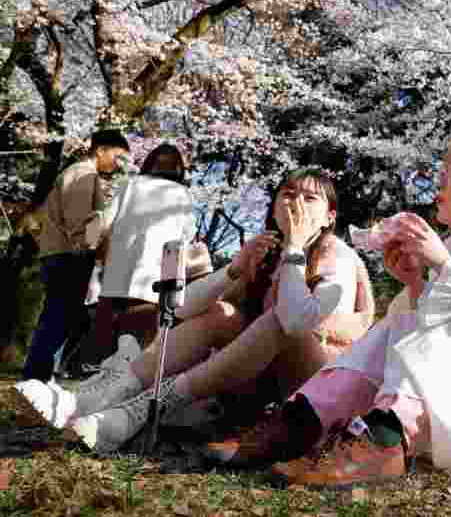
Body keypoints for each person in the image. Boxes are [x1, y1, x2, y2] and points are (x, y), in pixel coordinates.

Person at [204, 130, 451, 488]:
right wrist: (414, 282)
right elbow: (423, 324)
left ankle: (383, 440)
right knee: (400, 320)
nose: (440, 180)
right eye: (443, 169)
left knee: (421, 323)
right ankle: (299, 424)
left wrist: (442, 265)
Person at [13, 167, 374, 451]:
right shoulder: (269, 252)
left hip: (317, 391)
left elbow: (297, 322)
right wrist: (233, 270)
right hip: (260, 385)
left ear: (329, 217)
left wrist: (295, 247)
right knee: (222, 314)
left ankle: (140, 411)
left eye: (310, 198)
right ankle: (93, 399)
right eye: (288, 193)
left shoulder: (334, 255)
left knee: (277, 320)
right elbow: (182, 310)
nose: (296, 203)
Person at [22, 129, 130, 382]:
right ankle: (37, 378)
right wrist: (95, 244)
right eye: (118, 156)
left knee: (56, 317)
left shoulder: (80, 173)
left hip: (62, 253)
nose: (119, 164)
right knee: (59, 318)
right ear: (101, 150)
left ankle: (38, 376)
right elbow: (78, 224)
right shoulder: (83, 174)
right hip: (70, 255)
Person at [79, 144, 198, 364]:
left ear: (149, 162)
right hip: (154, 275)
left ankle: (92, 370)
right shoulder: (184, 195)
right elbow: (187, 235)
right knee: (137, 342)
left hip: (118, 271)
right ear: (179, 168)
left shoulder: (130, 185)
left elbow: (106, 221)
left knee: (104, 334)